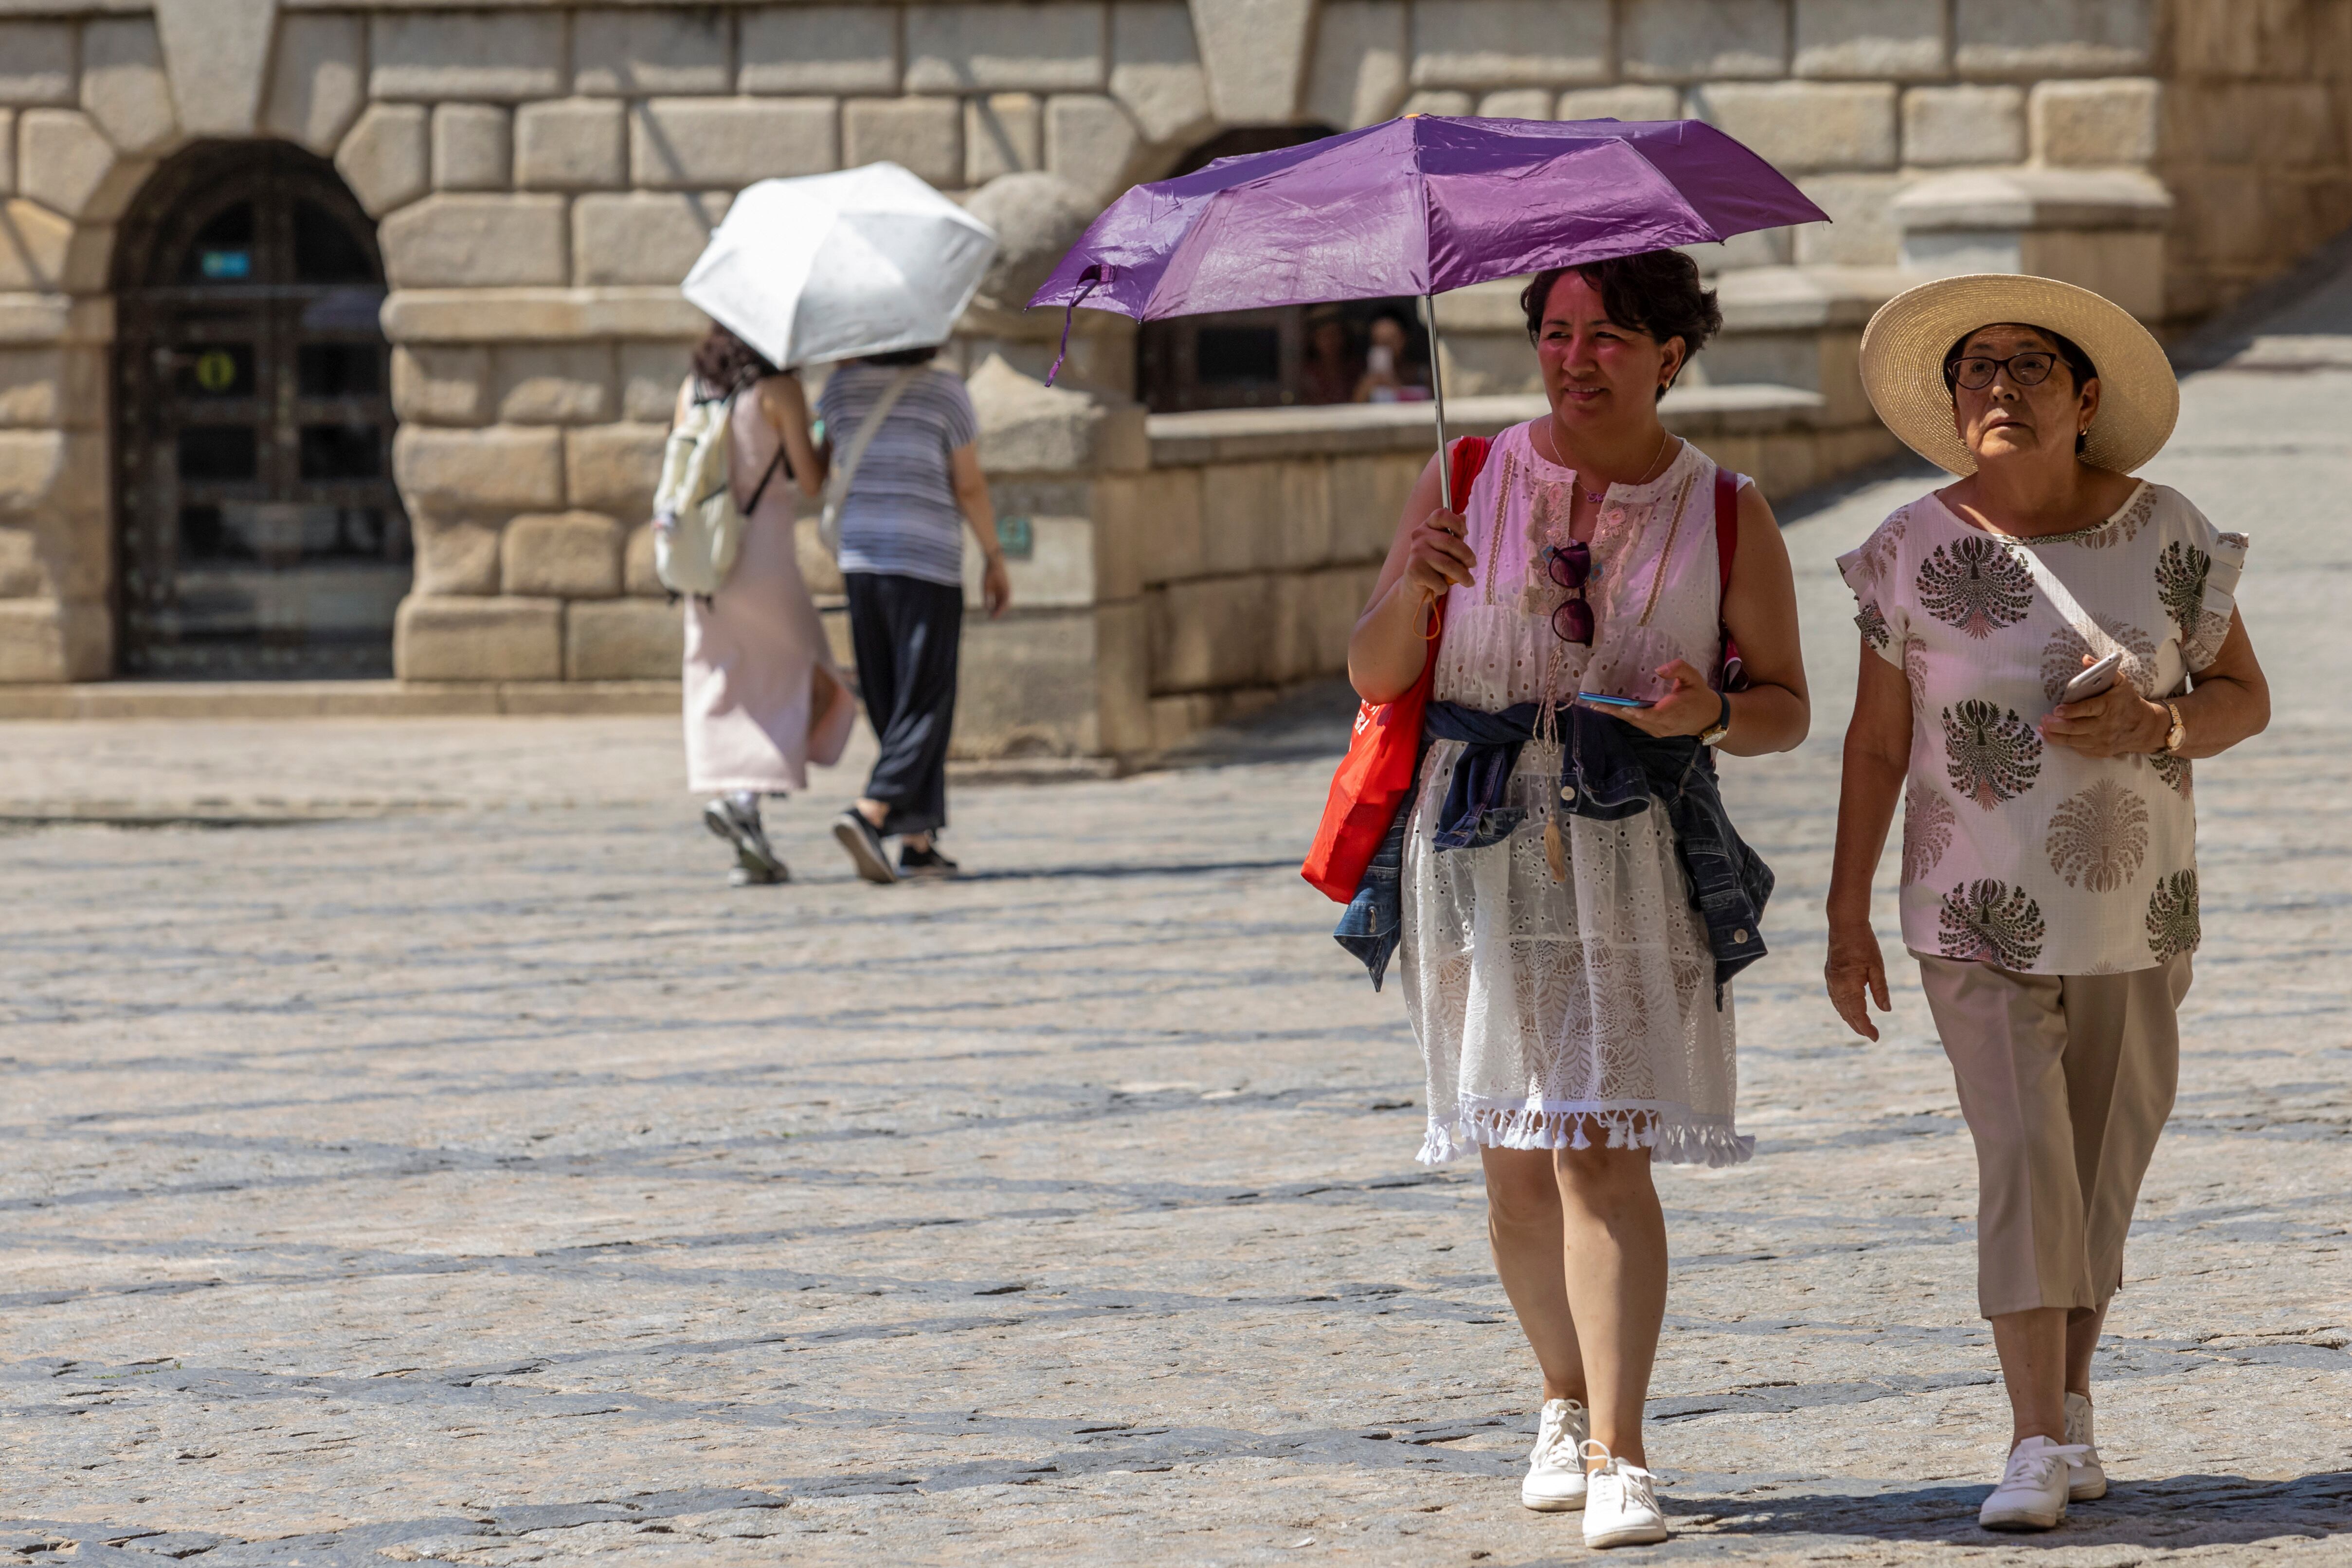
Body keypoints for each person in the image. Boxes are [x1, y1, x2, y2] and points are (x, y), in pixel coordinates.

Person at [1346, 252, 1809, 1548]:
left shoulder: (1724, 508)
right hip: (1481, 843)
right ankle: (1557, 1393)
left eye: (1608, 333)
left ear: (1671, 351)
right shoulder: (1463, 476)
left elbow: (1783, 705)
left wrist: (1703, 708)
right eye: (1555, 330)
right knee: (1512, 1171)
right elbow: (1375, 670)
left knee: (1600, 1146)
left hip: (1625, 849)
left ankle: (1622, 1447)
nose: (1574, 355)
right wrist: (1414, 589)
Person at [1825, 276, 2269, 1532]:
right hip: (1971, 912)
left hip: (2135, 907)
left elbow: (2244, 694)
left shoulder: (2167, 530)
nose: (1999, 388)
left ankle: (2069, 1402)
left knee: (2097, 1172)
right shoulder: (1907, 548)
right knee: (2023, 1156)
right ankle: (2028, 1436)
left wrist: (2159, 718)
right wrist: (1842, 911)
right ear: (1952, 401)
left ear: (2084, 400)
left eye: (2028, 368)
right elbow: (1872, 745)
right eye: (1976, 369)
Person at [815, 345, 1011, 884]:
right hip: (925, 562)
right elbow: (967, 483)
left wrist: (834, 394)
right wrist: (994, 556)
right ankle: (872, 809)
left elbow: (817, 469)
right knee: (925, 699)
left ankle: (918, 840)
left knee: (889, 696)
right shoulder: (945, 391)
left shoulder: (837, 392)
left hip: (861, 560)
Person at [675, 324, 855, 886]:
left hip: (701, 556)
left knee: (720, 674)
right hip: (763, 554)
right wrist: (826, 429)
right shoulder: (779, 390)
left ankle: (740, 802)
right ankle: (748, 792)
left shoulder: (692, 388)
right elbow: (810, 479)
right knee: (807, 668)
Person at [1353, 310, 1431, 403]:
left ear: (1405, 339)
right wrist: (1366, 388)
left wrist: (1395, 385)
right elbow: (1355, 411)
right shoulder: (1368, 381)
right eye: (1378, 342)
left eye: (1391, 340)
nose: (1386, 347)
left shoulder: (1423, 376)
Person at [1300, 306, 1359, 405]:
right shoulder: (1307, 375)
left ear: (1344, 336)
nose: (1330, 342)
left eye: (1334, 334)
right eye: (1324, 336)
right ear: (1313, 340)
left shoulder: (1356, 370)